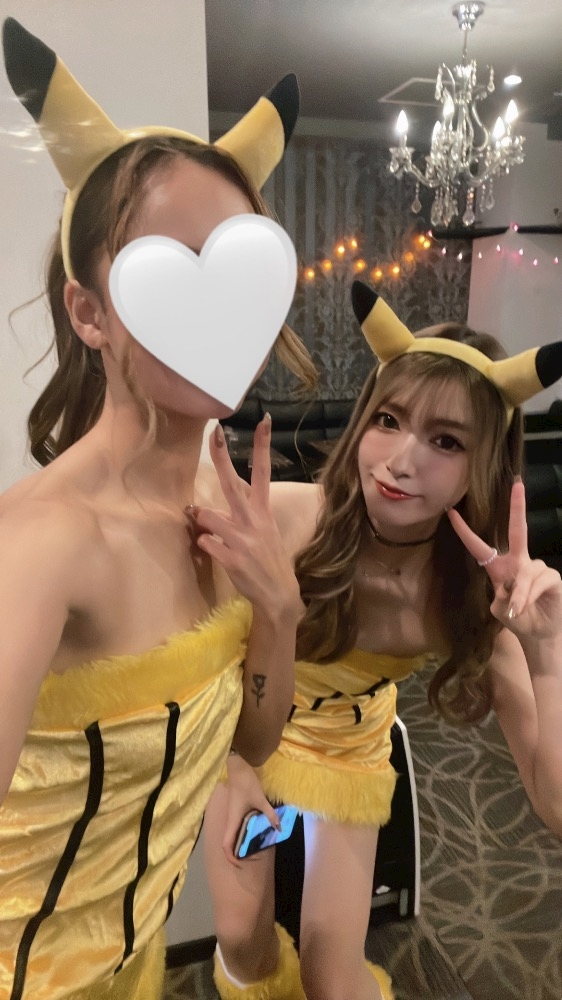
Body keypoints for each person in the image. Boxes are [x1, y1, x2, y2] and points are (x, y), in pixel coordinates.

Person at [0, 17, 316, 1000]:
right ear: (89, 312)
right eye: (171, 267)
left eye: (236, 266)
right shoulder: (46, 541)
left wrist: (278, 609)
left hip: (136, 966)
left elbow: (247, 749)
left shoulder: (230, 506)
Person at [203, 280, 562, 1000]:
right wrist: (231, 759)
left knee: (332, 978)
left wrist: (547, 655)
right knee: (243, 941)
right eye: (389, 420)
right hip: (242, 728)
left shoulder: (474, 597)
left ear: (485, 464)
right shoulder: (290, 520)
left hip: (349, 745)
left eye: (446, 441)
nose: (401, 460)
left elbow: (554, 809)